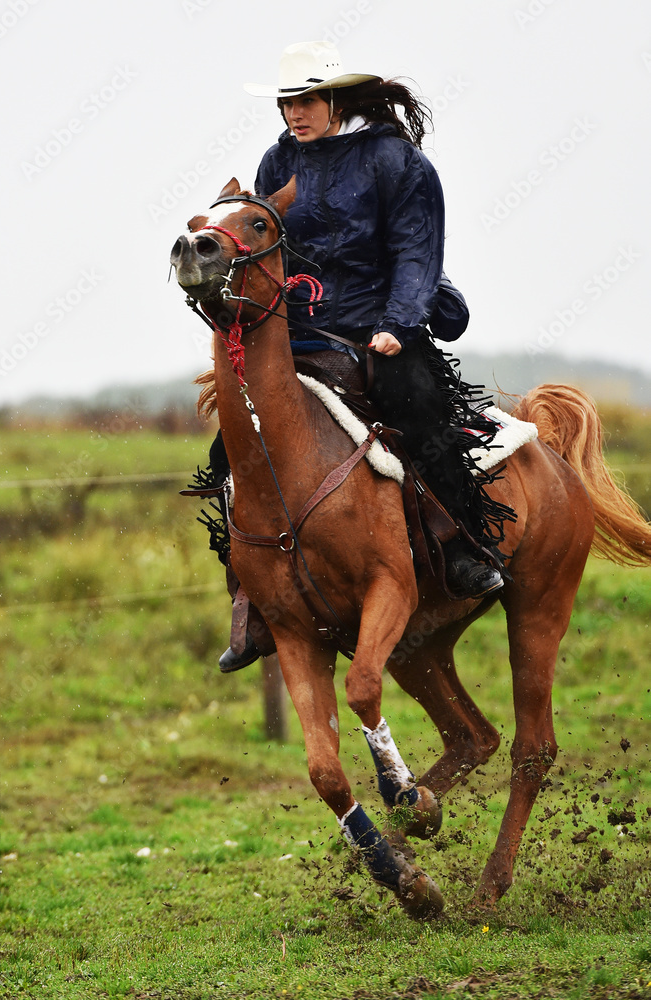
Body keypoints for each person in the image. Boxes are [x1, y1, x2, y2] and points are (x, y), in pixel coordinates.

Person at [215, 41, 510, 673]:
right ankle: (253, 596)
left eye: (305, 100)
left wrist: (399, 323)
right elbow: (273, 253)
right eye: (285, 101)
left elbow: (415, 249)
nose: (293, 113)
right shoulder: (277, 160)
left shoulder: (394, 159)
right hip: (303, 330)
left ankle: (463, 544)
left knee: (416, 403)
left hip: (383, 323)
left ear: (334, 99)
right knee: (229, 446)